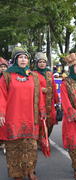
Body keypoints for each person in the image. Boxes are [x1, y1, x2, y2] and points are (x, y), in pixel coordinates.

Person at [0, 47, 46, 180]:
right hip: (13, 117)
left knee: (31, 146)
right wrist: (1, 113)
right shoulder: (7, 76)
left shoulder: (33, 76)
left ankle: (31, 170)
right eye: (20, 57)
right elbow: (1, 95)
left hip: (31, 117)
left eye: (25, 57)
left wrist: (42, 110)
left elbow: (39, 96)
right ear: (15, 60)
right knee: (14, 147)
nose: (23, 60)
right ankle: (17, 173)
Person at [34, 52, 59, 137]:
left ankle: (46, 138)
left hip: (49, 102)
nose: (42, 64)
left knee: (50, 121)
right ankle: (39, 140)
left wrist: (57, 101)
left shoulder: (49, 73)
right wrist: (40, 89)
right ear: (36, 63)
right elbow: (30, 87)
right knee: (39, 121)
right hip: (38, 101)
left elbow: (54, 87)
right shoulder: (33, 74)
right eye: (40, 62)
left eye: (44, 62)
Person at [0, 57, 8, 154]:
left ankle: (5, 144)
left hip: (5, 103)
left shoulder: (8, 78)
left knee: (4, 124)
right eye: (1, 67)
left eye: (4, 67)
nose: (2, 69)